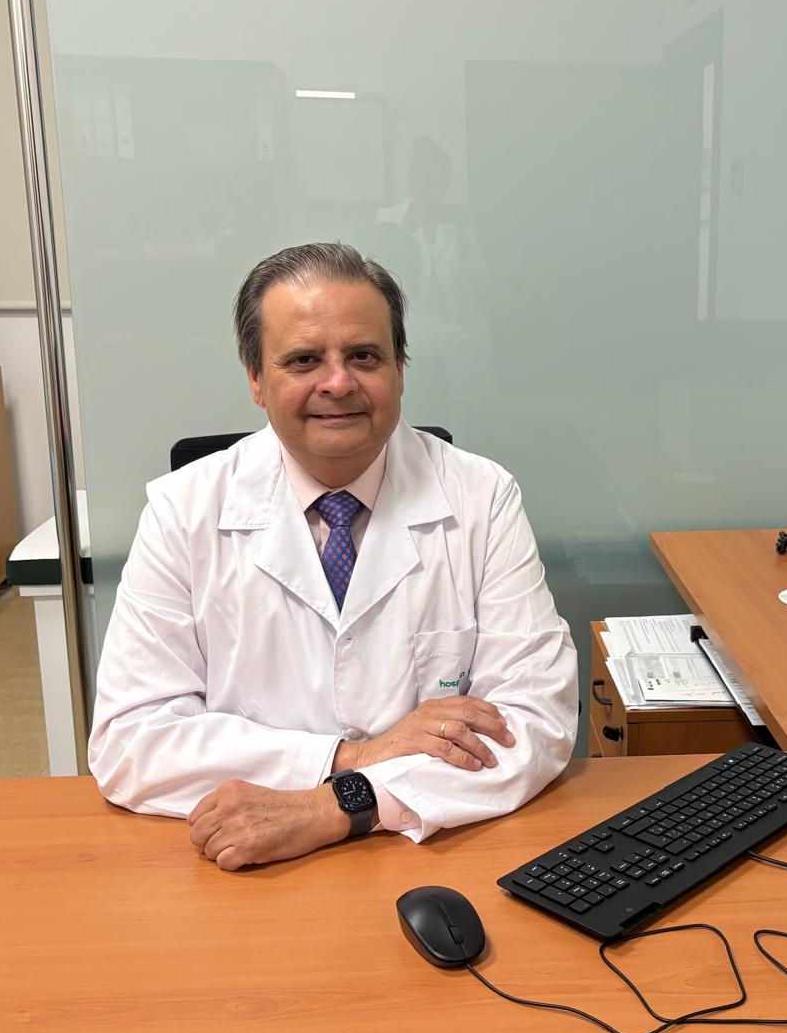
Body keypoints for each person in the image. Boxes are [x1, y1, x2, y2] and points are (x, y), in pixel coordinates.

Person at [89, 242, 578, 870]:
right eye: (303, 359)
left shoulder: (482, 497)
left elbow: (534, 719)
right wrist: (352, 758)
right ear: (256, 379)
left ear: (400, 370)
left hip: (431, 851)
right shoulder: (183, 509)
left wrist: (338, 806)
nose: (339, 382)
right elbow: (131, 740)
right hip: (246, 868)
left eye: (364, 356)